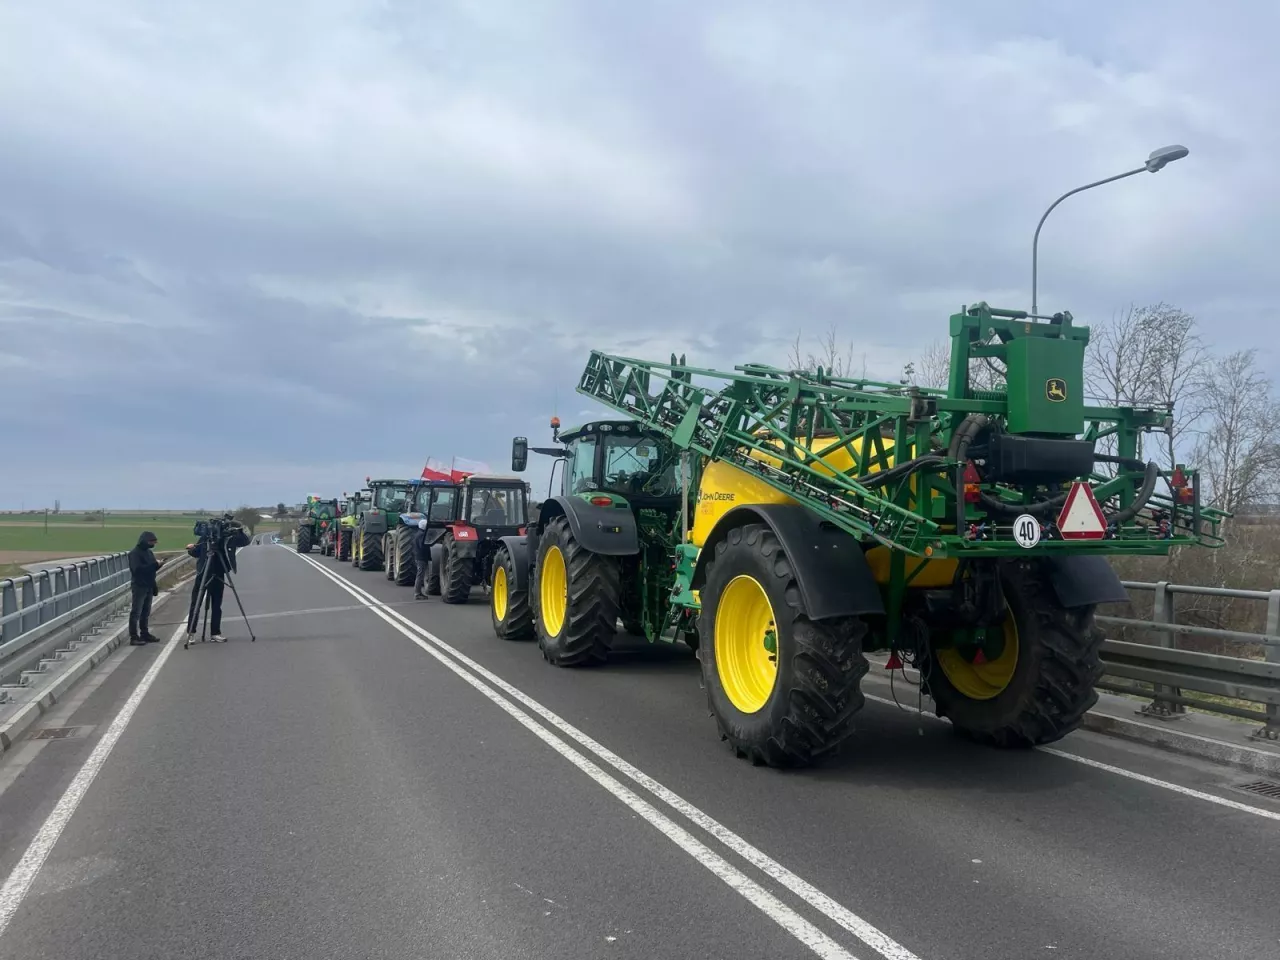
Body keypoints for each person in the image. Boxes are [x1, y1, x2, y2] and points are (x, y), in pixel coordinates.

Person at [186, 519, 251, 641]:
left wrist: (239, 529)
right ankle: (191, 633)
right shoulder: (207, 537)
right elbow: (197, 552)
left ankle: (215, 633)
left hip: (218, 573)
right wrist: (191, 549)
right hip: (203, 572)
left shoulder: (229, 538)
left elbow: (245, 541)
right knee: (196, 604)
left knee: (216, 605)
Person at [127, 531, 163, 645]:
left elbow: (151, 569)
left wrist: (157, 566)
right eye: (151, 542)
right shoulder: (134, 554)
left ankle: (144, 633)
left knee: (145, 612)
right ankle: (133, 637)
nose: (153, 544)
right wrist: (154, 565)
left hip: (149, 585)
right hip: (139, 586)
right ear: (144, 541)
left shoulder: (149, 553)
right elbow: (137, 570)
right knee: (136, 612)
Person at [412, 518, 433, 600]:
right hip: (421, 558)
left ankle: (419, 593)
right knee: (420, 575)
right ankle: (417, 593)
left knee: (421, 575)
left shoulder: (418, 533)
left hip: (419, 557)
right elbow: (422, 546)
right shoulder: (422, 535)